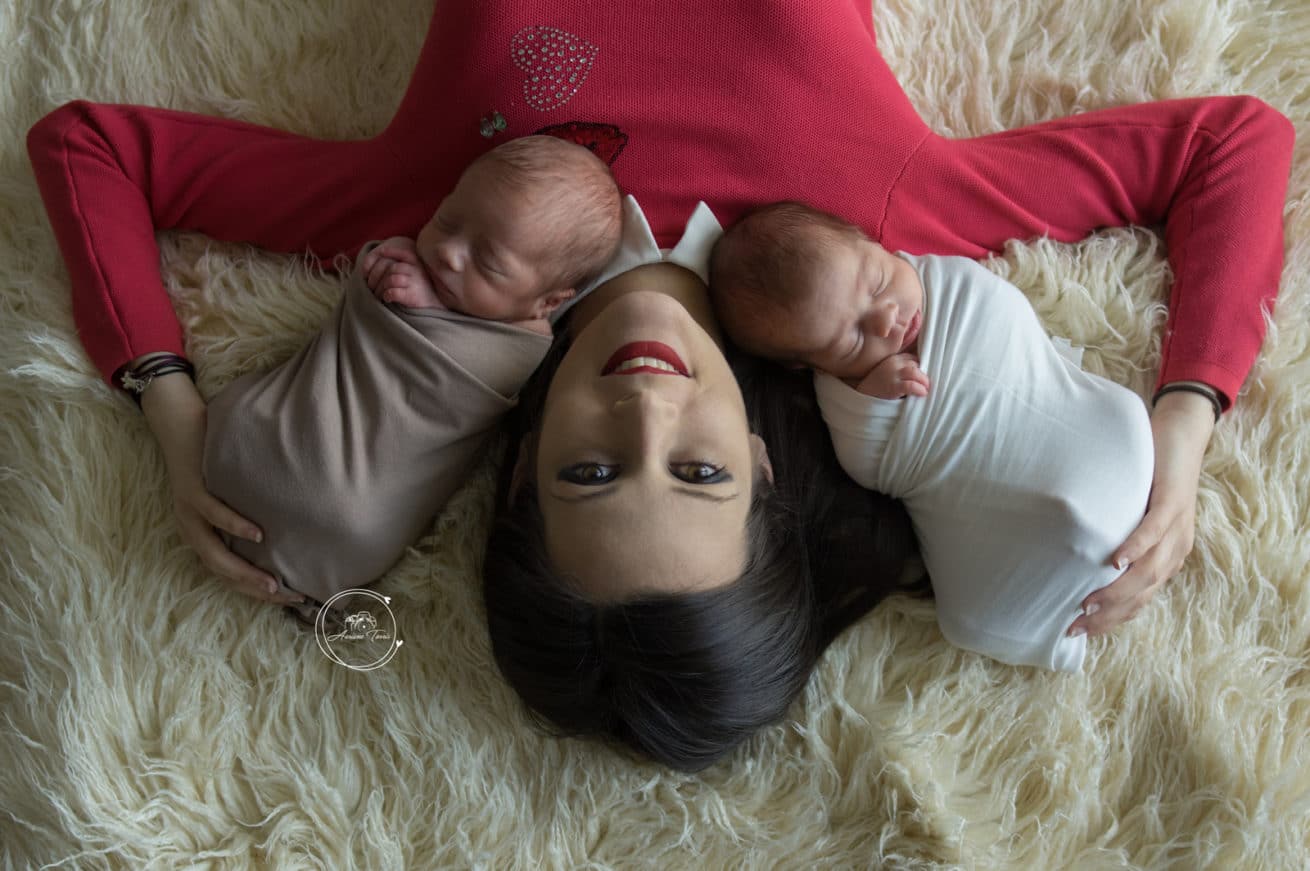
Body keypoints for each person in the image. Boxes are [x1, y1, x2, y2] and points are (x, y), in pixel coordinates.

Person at [26, 1, 1294, 769]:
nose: (642, 408)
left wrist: (173, 418)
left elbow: (87, 149)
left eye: (590, 471)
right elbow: (1228, 145)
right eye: (695, 471)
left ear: (517, 476)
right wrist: (1178, 438)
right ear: (762, 466)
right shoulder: (869, 257)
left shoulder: (444, 242)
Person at [709, 201, 1155, 671]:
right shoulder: (844, 404)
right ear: (808, 367)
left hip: (1099, 437)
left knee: (1119, 420)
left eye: (878, 282)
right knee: (969, 620)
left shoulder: (948, 286)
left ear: (871, 239)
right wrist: (875, 400)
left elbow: (1000, 315)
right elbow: (870, 465)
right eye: (854, 338)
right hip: (1005, 513)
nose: (887, 320)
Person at [199, 135, 622, 616]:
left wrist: (416, 310)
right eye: (446, 220)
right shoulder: (441, 273)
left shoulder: (524, 352)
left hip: (342, 507)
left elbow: (459, 377)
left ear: (548, 302)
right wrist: (396, 291)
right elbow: (366, 303)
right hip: (313, 491)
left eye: (487, 262)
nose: (448, 254)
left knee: (342, 513)